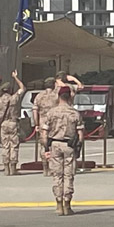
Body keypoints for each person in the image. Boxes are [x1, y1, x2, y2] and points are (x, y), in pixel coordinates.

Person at [43, 86, 83, 215]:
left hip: (55, 144)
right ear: (69, 97)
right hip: (69, 146)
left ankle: (58, 204)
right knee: (68, 175)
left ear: (59, 96)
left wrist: (46, 148)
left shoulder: (51, 113)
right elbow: (81, 134)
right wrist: (78, 148)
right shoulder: (75, 113)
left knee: (57, 175)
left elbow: (44, 133)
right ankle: (67, 204)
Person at [0, 70, 26, 176]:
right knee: (14, 146)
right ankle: (13, 168)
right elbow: (22, 88)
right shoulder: (14, 98)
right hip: (13, 123)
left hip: (3, 123)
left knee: (5, 146)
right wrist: (15, 77)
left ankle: (6, 168)